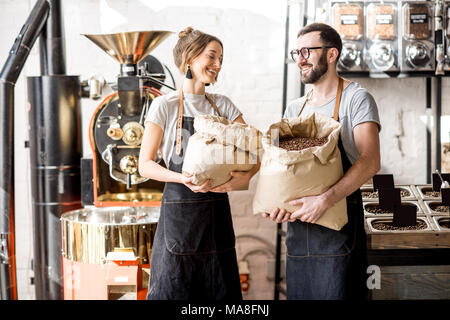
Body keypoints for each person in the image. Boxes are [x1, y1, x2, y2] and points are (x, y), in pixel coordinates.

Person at [138, 27, 258, 300]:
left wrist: (242, 179)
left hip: (216, 217)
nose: (217, 65)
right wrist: (183, 179)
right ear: (190, 58)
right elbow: (144, 165)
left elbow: (254, 153)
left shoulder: (223, 106)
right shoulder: (164, 106)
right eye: (212, 57)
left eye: (221, 60)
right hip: (179, 218)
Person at [263, 23, 381, 300]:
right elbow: (284, 168)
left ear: (331, 54)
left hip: (338, 228)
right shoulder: (295, 108)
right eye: (297, 52)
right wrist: (277, 204)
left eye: (307, 51)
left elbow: (370, 160)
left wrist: (324, 200)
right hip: (299, 228)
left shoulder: (357, 99)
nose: (300, 59)